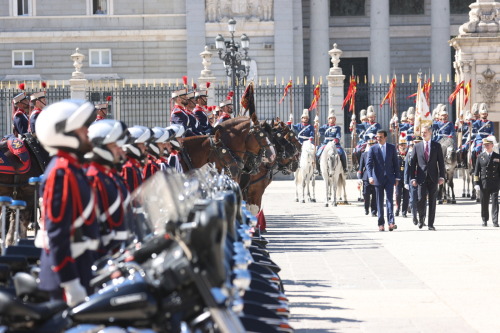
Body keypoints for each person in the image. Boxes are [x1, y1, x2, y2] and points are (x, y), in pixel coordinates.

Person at [35, 99, 99, 306]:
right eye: (83, 128)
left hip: (80, 266)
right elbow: (56, 233)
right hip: (66, 274)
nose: (88, 132)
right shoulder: (61, 171)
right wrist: (70, 282)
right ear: (65, 133)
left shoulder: (72, 167)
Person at [86, 119, 132, 254]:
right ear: (100, 147)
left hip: (121, 250)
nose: (121, 150)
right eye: (115, 146)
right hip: (107, 254)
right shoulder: (94, 178)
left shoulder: (108, 176)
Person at [410, 125, 445, 231]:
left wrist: (442, 176)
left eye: (425, 132)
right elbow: (413, 164)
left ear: (430, 133)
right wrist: (413, 178)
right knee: (420, 199)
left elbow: (441, 163)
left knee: (433, 201)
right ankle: (421, 219)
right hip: (421, 178)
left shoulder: (437, 146)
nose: (423, 134)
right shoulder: (417, 146)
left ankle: (430, 224)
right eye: (422, 132)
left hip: (433, 177)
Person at [367, 129, 400, 231]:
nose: (378, 139)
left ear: (385, 137)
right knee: (380, 202)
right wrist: (370, 176)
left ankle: (391, 222)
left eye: (381, 137)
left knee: (390, 200)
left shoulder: (391, 148)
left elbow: (395, 163)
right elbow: (369, 164)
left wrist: (397, 177)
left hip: (389, 178)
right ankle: (381, 224)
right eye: (377, 137)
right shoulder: (373, 149)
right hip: (377, 179)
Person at [474, 136, 500, 227]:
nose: (486, 146)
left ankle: (495, 221)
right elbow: (476, 172)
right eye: (485, 145)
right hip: (483, 183)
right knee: (484, 203)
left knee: (495, 202)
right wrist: (476, 183)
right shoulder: (480, 156)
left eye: (488, 145)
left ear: (492, 145)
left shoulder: (497, 156)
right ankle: (484, 219)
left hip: (495, 183)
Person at [404, 135, 423, 225]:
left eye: (418, 142)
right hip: (413, 179)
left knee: (421, 200)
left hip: (422, 179)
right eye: (415, 142)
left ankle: (422, 218)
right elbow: (407, 169)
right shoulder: (410, 153)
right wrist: (405, 182)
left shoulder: (425, 152)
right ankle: (414, 216)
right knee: (412, 200)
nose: (417, 144)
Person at [357, 136, 377, 217]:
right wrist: (359, 178)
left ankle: (374, 211)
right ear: (367, 145)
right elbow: (361, 166)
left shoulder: (378, 153)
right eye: (370, 144)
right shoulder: (364, 154)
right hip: (366, 177)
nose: (371, 145)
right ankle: (366, 208)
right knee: (366, 194)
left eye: (373, 144)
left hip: (375, 176)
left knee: (375, 195)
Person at [395, 134, 409, 217]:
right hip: (398, 178)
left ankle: (404, 211)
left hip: (406, 179)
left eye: (404, 145)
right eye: (401, 145)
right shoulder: (396, 155)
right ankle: (397, 208)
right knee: (397, 194)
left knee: (406, 196)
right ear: (398, 146)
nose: (402, 147)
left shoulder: (409, 155)